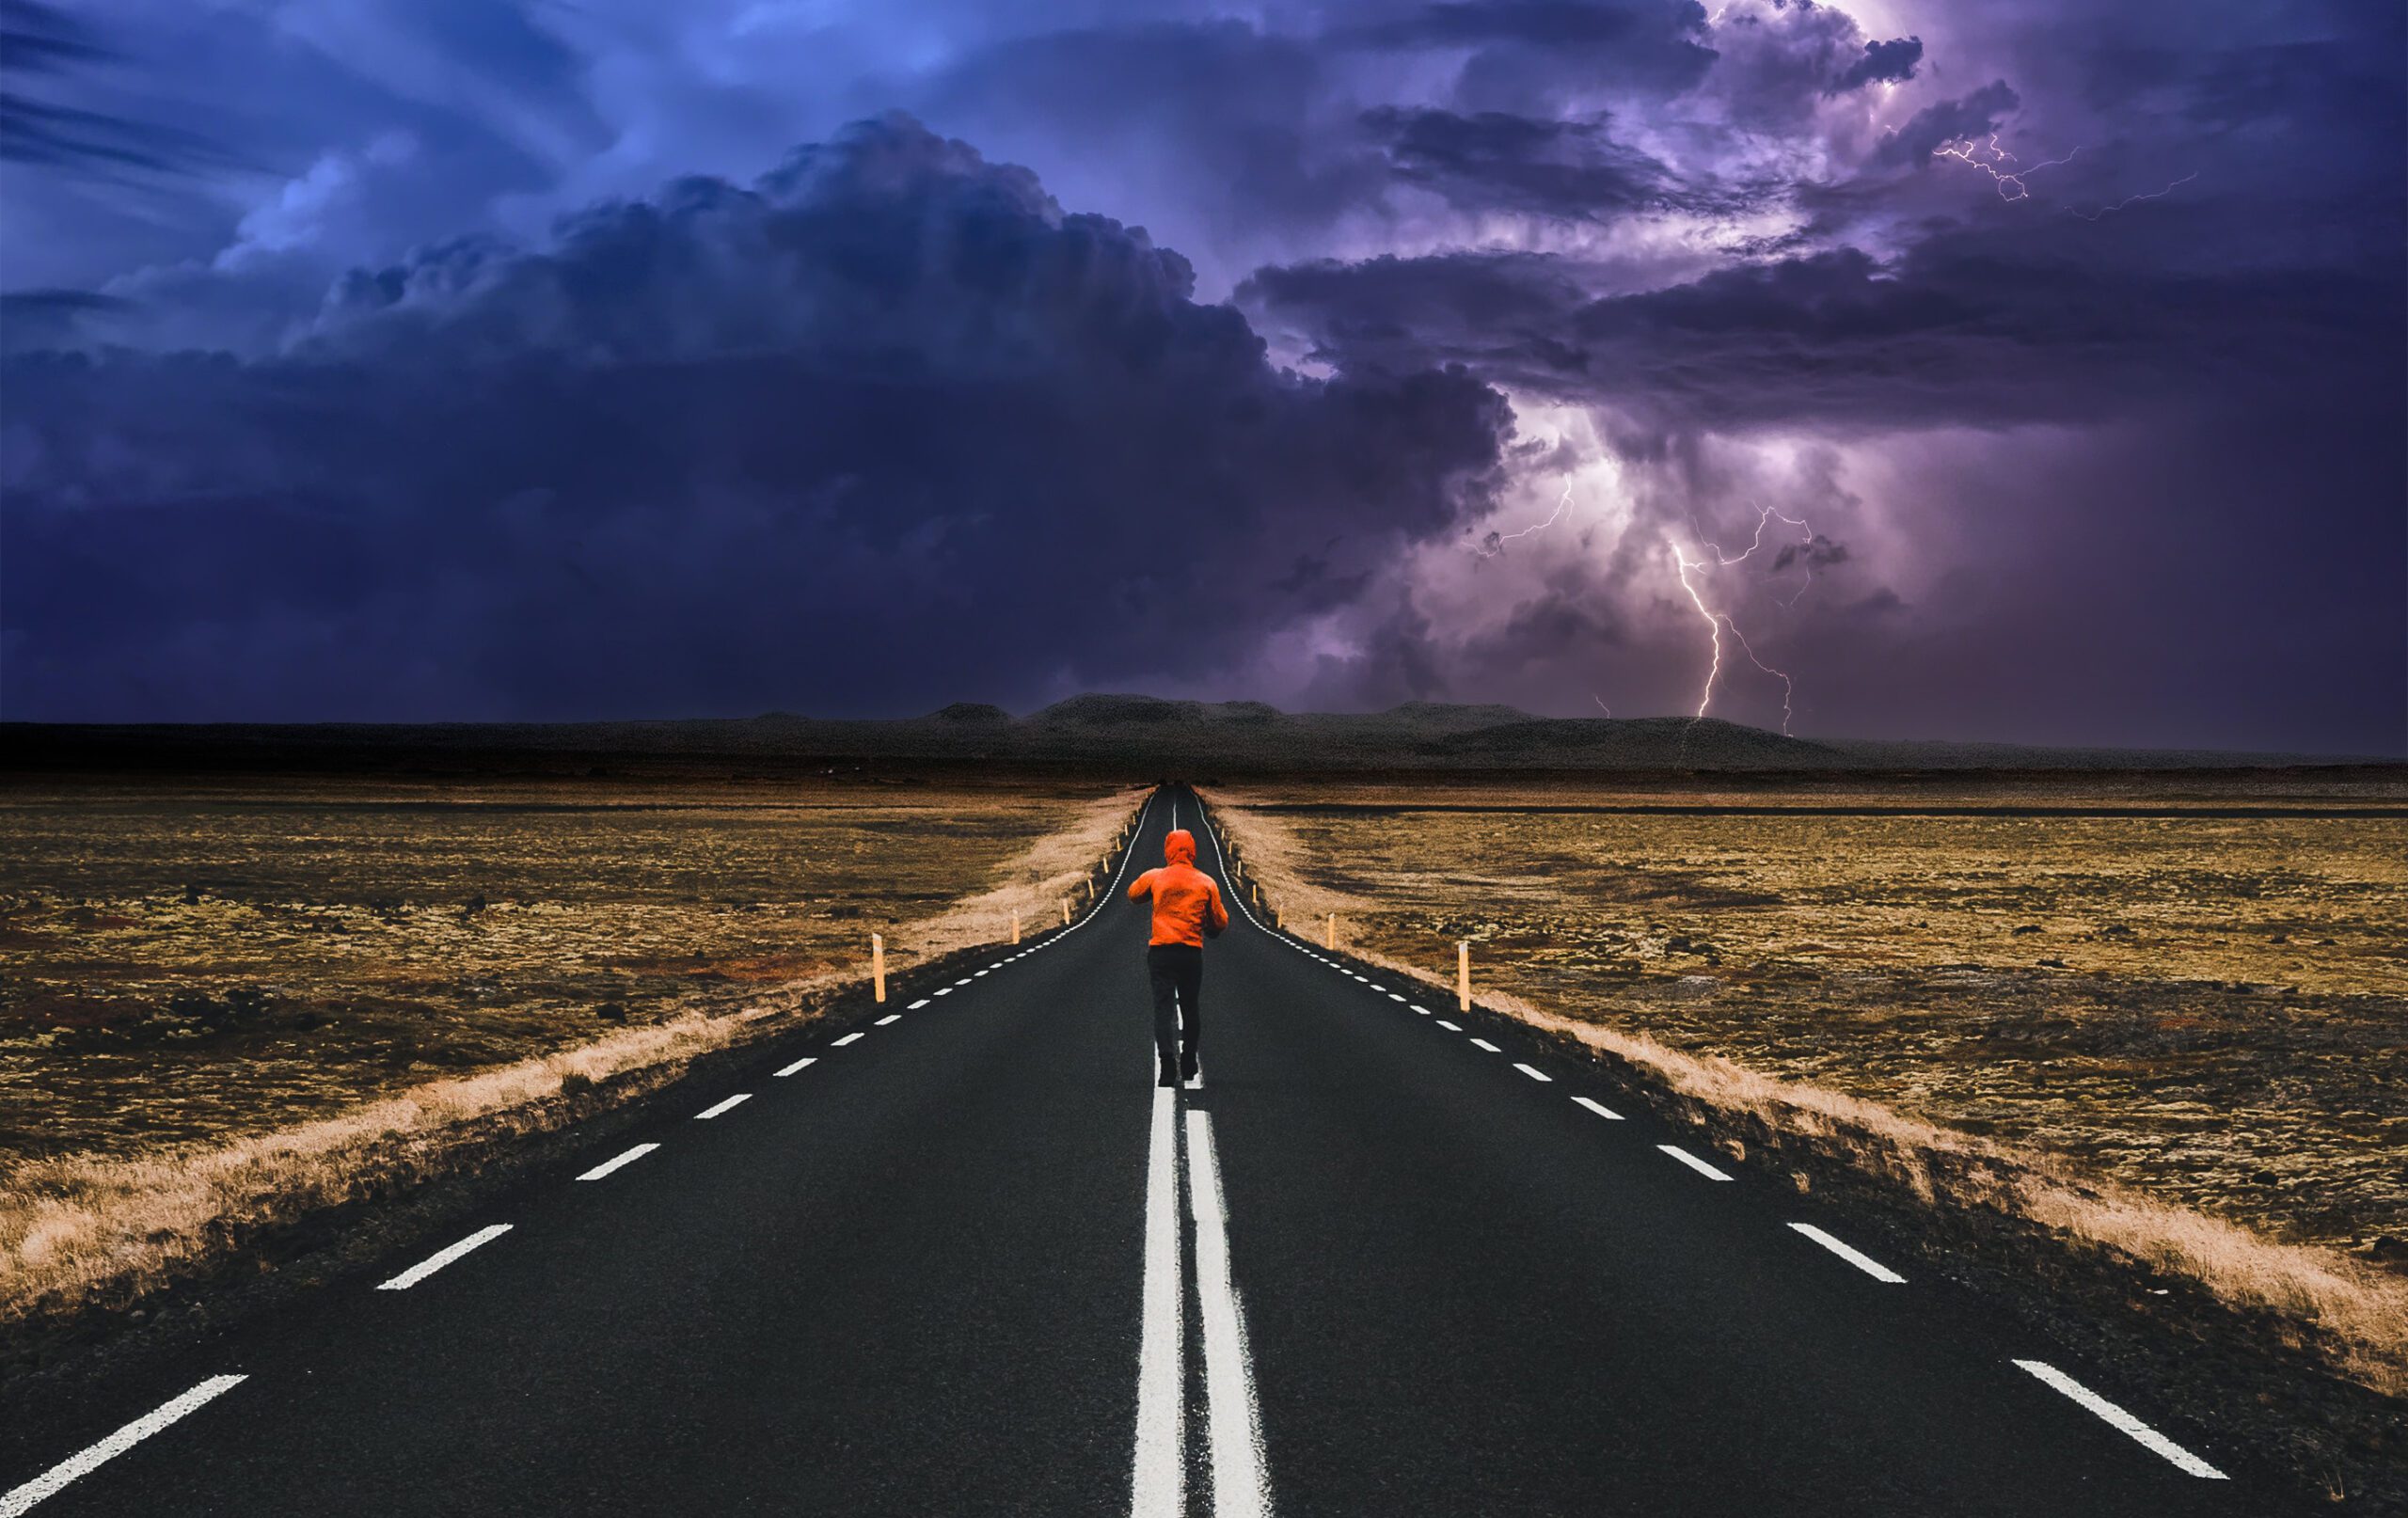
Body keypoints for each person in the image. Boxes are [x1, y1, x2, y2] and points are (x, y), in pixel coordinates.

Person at [1127, 827, 1228, 1087]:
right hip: (1190, 953)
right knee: (1190, 1007)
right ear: (1193, 851)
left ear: (1168, 850)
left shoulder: (1156, 877)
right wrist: (1205, 924)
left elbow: (1133, 894)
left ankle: (1167, 1066)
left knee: (1163, 1010)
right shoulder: (1206, 882)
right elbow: (1220, 921)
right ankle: (1190, 1060)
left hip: (1161, 951)